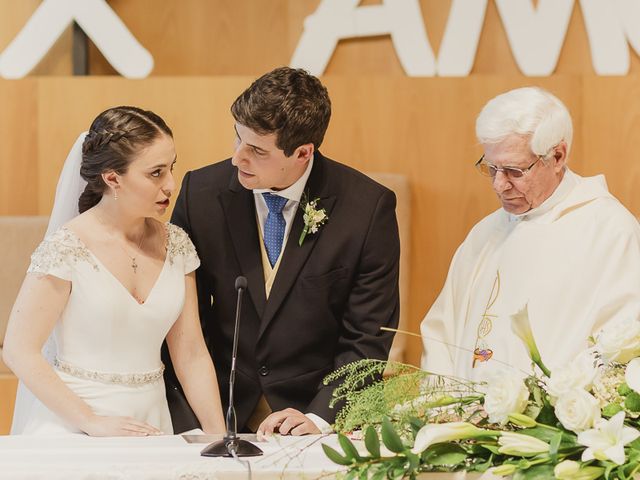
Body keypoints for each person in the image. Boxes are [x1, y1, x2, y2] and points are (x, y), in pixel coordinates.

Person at [166, 67, 400, 436]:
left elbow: (367, 336)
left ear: (303, 152)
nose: (237, 159)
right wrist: (196, 422)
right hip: (211, 412)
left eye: (257, 150)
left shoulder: (367, 209)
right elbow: (174, 316)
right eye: (237, 139)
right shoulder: (201, 194)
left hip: (311, 415)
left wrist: (320, 417)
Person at [3, 106, 225, 436]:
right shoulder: (67, 247)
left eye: (171, 169)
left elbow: (191, 352)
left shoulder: (177, 245)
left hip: (151, 421)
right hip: (71, 423)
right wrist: (91, 421)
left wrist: (217, 436)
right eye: (156, 173)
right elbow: (19, 350)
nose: (171, 185)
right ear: (112, 178)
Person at [420, 86, 640, 381]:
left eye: (514, 170)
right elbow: (440, 334)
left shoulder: (609, 232)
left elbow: (621, 344)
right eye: (491, 168)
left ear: (558, 156)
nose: (499, 185)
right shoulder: (486, 233)